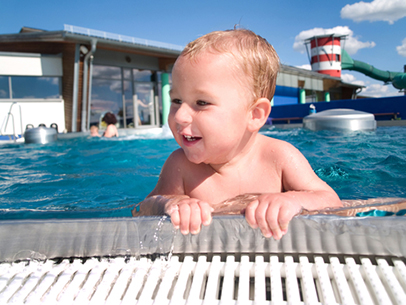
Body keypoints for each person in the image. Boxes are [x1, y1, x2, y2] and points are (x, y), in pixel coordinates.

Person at [132, 29, 342, 239]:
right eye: (177, 100)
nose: (180, 116)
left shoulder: (279, 157)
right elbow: (140, 211)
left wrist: (294, 201)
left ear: (254, 114)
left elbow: (333, 202)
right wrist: (169, 203)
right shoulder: (181, 166)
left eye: (202, 103)